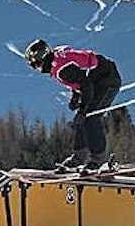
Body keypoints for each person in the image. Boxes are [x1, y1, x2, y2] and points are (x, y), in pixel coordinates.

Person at [23, 39, 122, 172]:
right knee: (81, 121)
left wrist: (82, 110)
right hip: (98, 80)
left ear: (43, 58)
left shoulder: (61, 69)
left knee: (90, 118)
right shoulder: (57, 60)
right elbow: (80, 75)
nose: (38, 69)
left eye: (36, 64)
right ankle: (79, 158)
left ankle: (99, 159)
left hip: (107, 81)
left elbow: (86, 85)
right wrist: (76, 97)